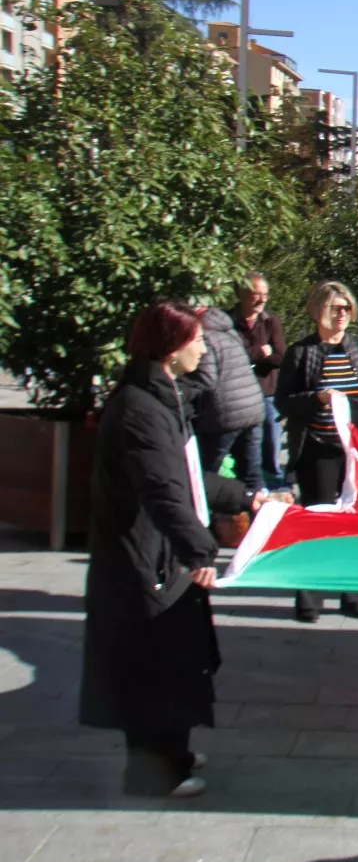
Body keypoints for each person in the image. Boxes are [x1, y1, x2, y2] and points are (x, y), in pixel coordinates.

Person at [81, 299, 272, 799]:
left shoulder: (163, 396)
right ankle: (153, 772)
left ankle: (174, 754)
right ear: (172, 347)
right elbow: (164, 489)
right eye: (198, 340)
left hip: (161, 555)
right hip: (145, 559)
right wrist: (200, 552)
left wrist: (249, 496)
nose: (204, 347)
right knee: (154, 666)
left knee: (175, 660)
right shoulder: (141, 408)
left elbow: (188, 475)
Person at [277, 281, 358, 625]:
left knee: (355, 522)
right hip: (318, 449)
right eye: (335, 308)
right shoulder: (302, 353)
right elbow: (283, 401)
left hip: (356, 453)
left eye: (346, 308)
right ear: (318, 311)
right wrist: (317, 398)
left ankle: (351, 594)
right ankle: (308, 597)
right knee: (318, 521)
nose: (342, 314)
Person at [188, 302, 266, 494]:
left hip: (225, 414)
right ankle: (261, 518)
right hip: (253, 406)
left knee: (205, 475)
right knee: (252, 475)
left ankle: (209, 519)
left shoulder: (203, 336)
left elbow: (206, 378)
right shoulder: (227, 330)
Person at [231, 272, 286, 489]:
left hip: (266, 393)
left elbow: (280, 356)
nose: (262, 300)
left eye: (265, 295)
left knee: (271, 446)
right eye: (256, 294)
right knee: (241, 448)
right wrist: (259, 352)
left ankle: (273, 489)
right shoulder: (228, 321)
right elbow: (229, 358)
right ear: (241, 294)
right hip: (237, 396)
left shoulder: (270, 321)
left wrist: (248, 357)